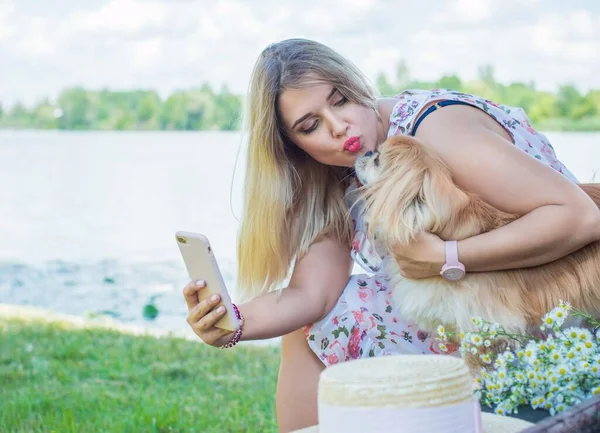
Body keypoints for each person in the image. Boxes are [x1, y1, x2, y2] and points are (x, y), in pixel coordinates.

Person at [182, 38, 600, 432]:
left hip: (554, 307)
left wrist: (446, 258)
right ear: (292, 144)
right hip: (476, 309)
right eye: (311, 125)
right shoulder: (340, 170)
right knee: (307, 326)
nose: (339, 126)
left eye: (340, 100)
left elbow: (582, 217)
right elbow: (314, 295)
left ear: (357, 87)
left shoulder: (434, 132)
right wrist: (232, 323)